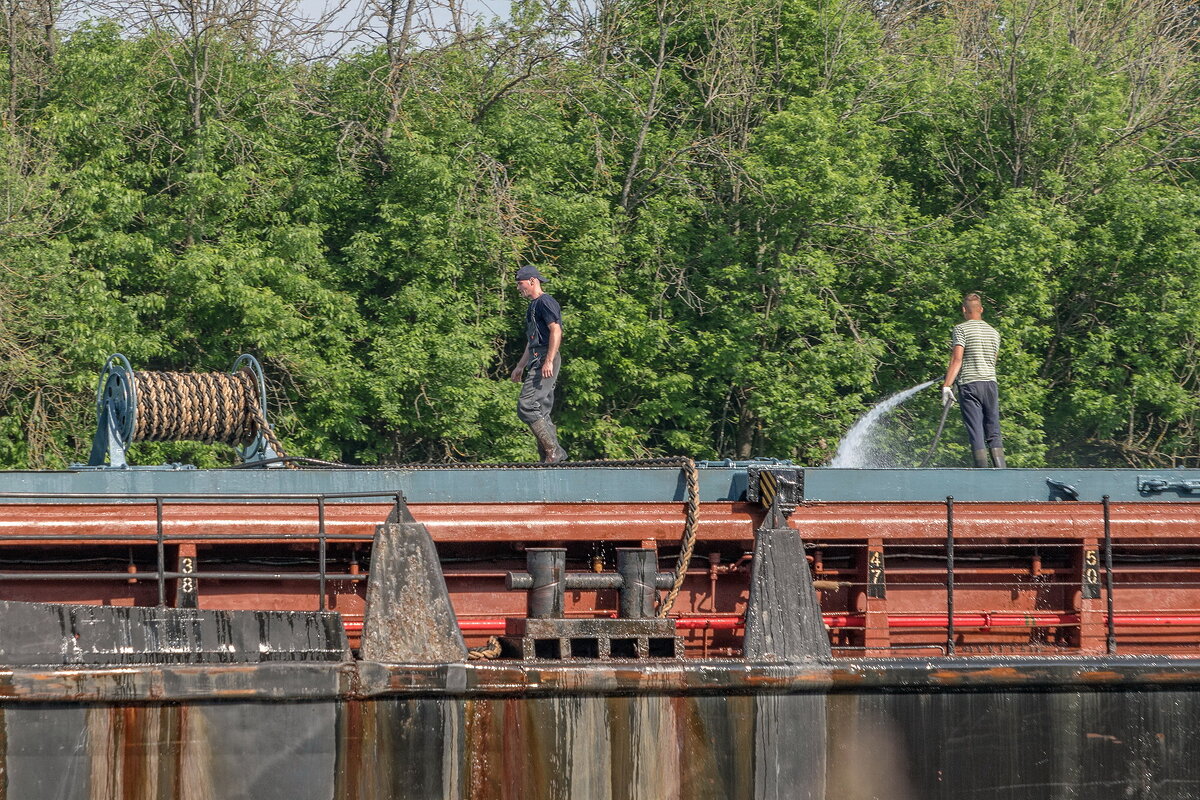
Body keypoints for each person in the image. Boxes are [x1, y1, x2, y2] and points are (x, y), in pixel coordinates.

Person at [510, 264, 568, 462]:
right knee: (540, 408)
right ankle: (547, 456)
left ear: (532, 281)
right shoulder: (532, 306)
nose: (519, 288)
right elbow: (531, 340)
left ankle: (554, 451)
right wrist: (520, 366)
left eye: (520, 284)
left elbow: (556, 330)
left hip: (546, 357)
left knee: (527, 404)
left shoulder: (545, 302)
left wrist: (549, 360)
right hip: (537, 357)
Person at [940, 293, 1005, 468]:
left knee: (976, 431)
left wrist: (947, 385)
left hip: (970, 385)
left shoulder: (961, 329)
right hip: (990, 384)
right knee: (993, 430)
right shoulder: (994, 332)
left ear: (964, 310)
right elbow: (993, 359)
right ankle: (1002, 473)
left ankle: (982, 474)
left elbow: (957, 359)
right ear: (981, 309)